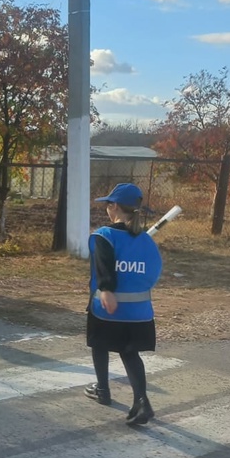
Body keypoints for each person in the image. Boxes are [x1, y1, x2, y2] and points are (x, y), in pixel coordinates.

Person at [84, 182, 163, 426]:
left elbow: (103, 266)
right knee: (129, 352)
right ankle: (142, 401)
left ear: (115, 206)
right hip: (139, 312)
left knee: (99, 345)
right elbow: (154, 272)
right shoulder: (146, 241)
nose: (107, 208)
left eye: (108, 204)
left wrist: (107, 289)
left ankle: (103, 390)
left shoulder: (104, 235)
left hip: (106, 308)